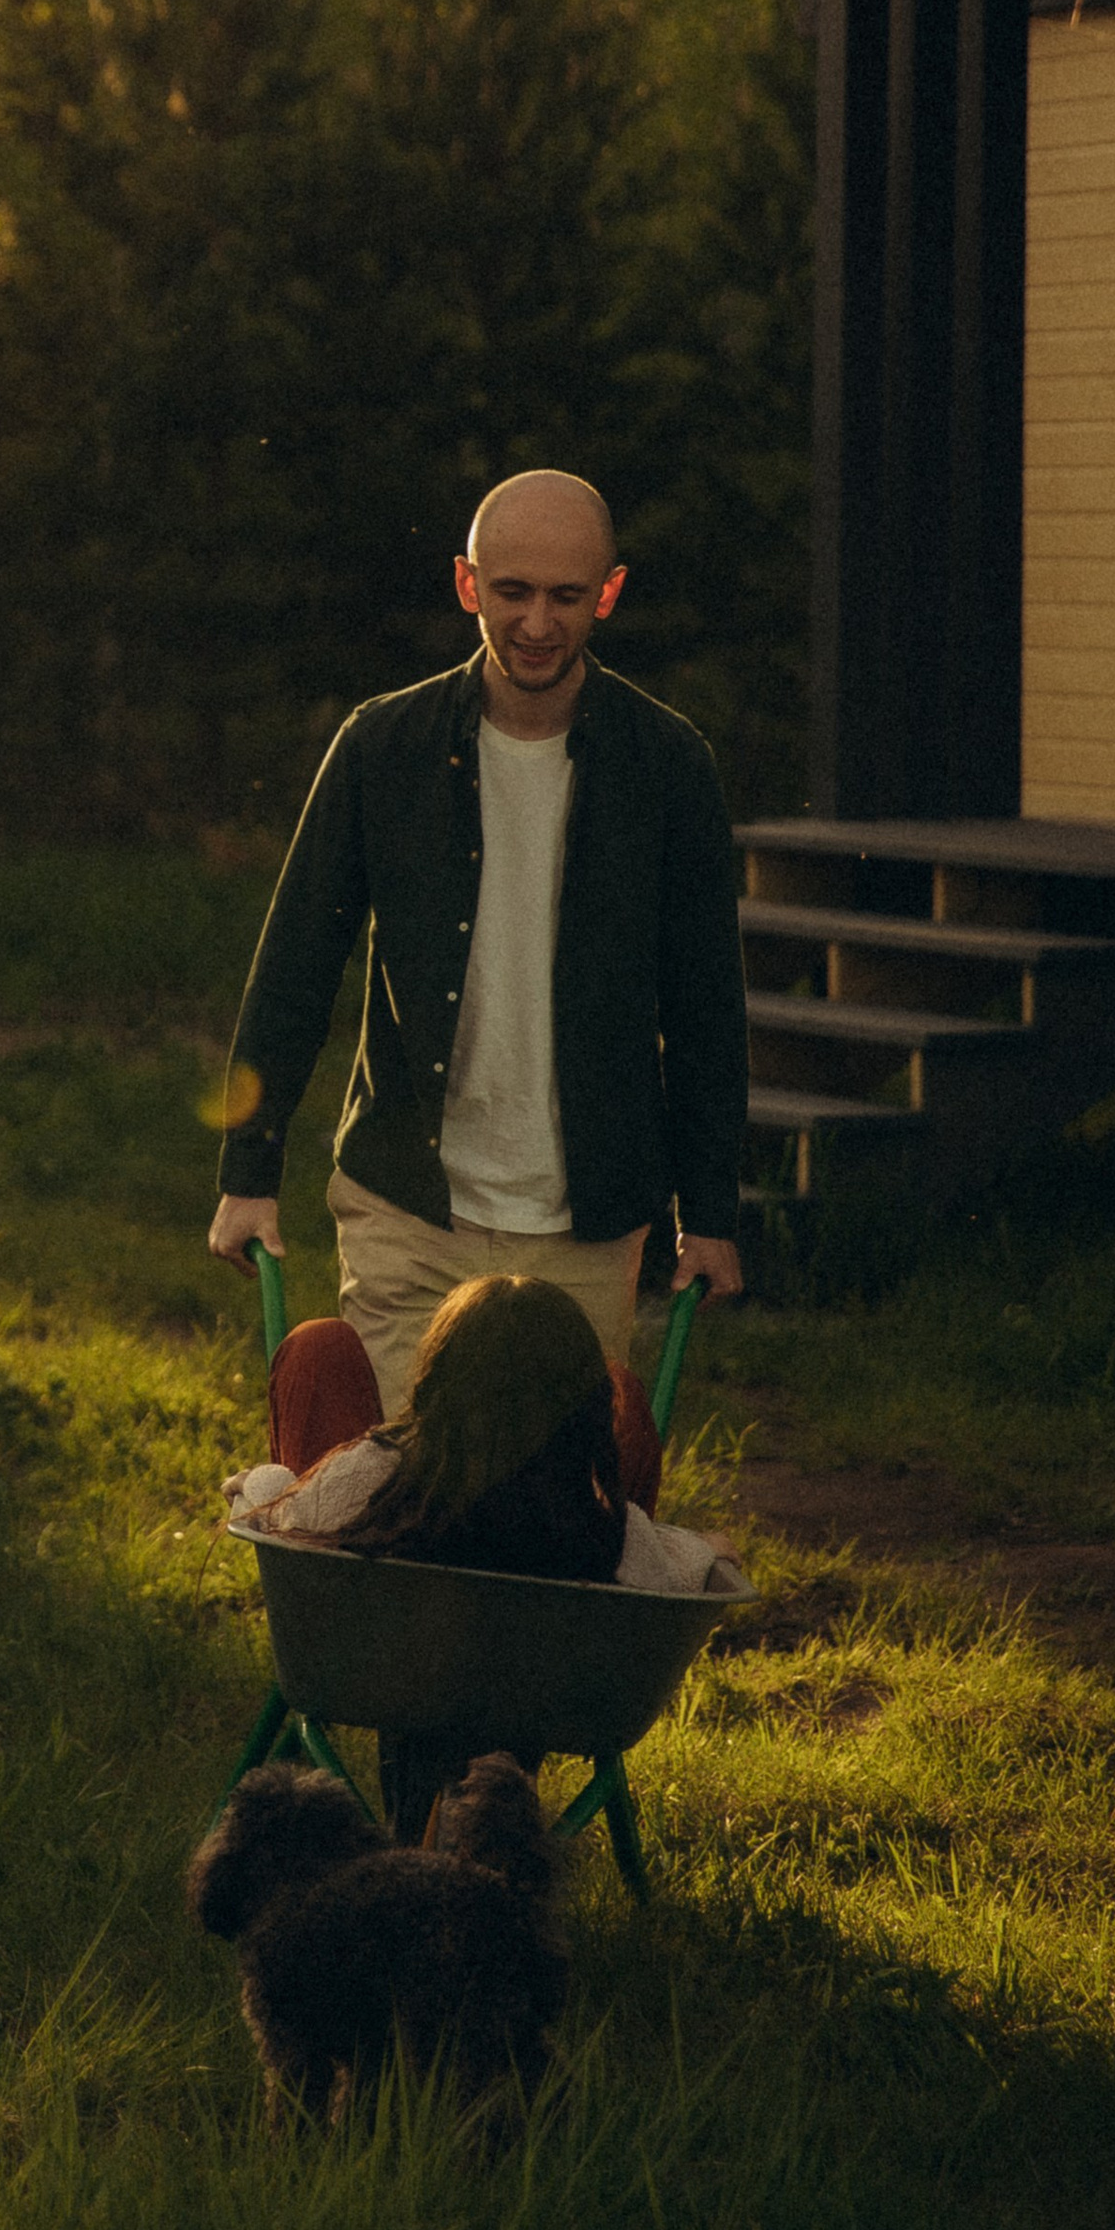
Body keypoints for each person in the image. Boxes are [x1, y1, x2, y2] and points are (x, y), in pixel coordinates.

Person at [207, 469, 748, 1390]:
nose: (538, 623)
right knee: (405, 1484)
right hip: (409, 1208)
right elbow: (298, 962)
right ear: (468, 585)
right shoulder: (384, 747)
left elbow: (703, 1005)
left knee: (539, 1501)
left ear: (609, 593)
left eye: (567, 597)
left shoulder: (665, 765)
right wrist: (249, 1171)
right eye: (513, 593)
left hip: (589, 1218)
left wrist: (712, 1212)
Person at [224, 1274, 741, 1835]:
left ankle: (428, 1818)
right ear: (588, 1412)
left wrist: (254, 1483)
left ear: (436, 1379)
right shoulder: (600, 1523)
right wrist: (708, 1550)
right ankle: (483, 1814)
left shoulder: (376, 1475)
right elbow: (677, 1579)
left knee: (315, 1356)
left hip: (386, 1678)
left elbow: (283, 1517)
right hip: (535, 1696)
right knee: (631, 1392)